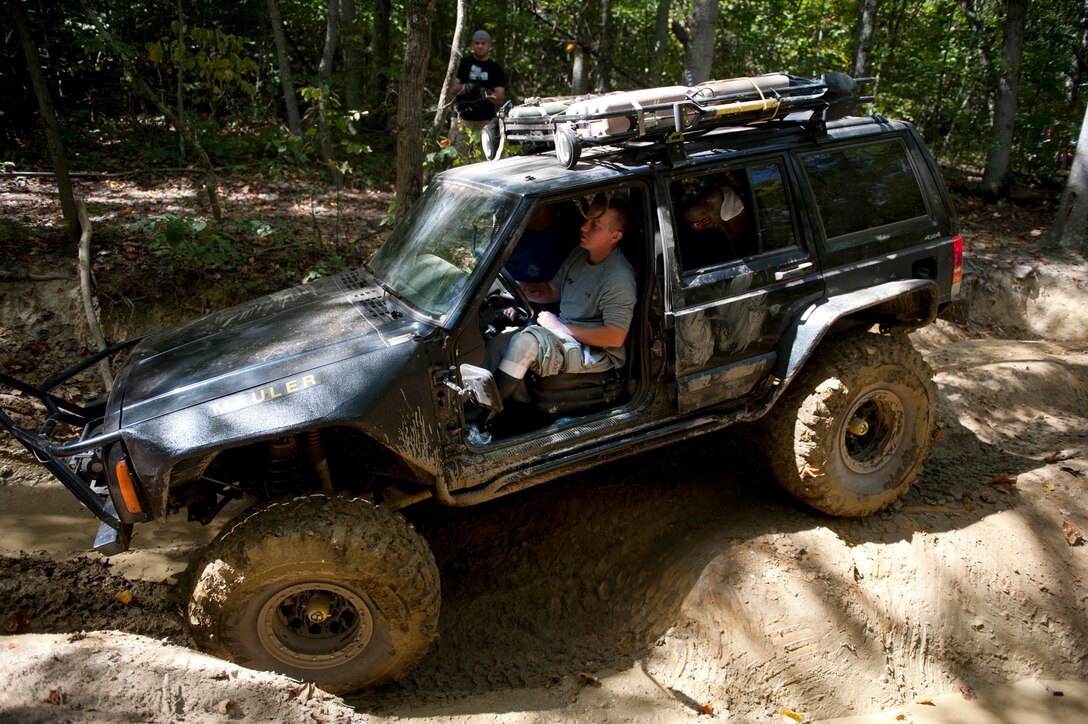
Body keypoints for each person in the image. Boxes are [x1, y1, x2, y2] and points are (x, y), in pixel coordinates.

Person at [491, 198, 636, 402]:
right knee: (499, 342)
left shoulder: (618, 277)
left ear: (615, 236)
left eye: (595, 225)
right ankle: (471, 411)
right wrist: (519, 290)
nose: (584, 227)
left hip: (597, 353)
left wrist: (561, 327)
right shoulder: (579, 253)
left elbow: (615, 337)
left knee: (524, 343)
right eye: (587, 219)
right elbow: (552, 290)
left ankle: (488, 412)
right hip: (566, 337)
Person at [679, 184, 753, 268]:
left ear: (728, 208)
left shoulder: (752, 245)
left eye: (706, 202)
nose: (697, 206)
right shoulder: (712, 245)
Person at [452, 30, 507, 132]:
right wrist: (466, 86)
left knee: (486, 148)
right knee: (457, 148)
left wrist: (484, 92)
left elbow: (499, 98)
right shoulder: (463, 64)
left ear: (489, 46)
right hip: (461, 119)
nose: (480, 46)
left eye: (483, 43)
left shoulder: (495, 69)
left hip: (486, 121)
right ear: (473, 45)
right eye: (477, 43)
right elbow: (452, 89)